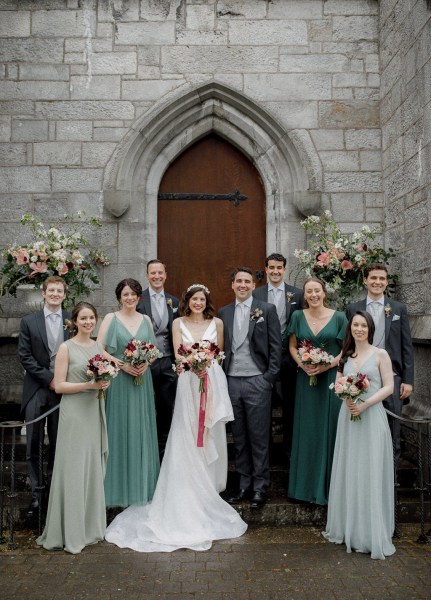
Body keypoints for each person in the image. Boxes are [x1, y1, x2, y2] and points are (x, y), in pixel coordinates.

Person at [105, 284, 247, 552]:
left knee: (210, 429)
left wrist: (207, 366)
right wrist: (194, 364)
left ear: (207, 301)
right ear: (187, 301)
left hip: (211, 380)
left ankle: (209, 485)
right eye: (194, 299)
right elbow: (179, 353)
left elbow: (220, 354)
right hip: (188, 381)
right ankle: (185, 486)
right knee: (186, 430)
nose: (198, 303)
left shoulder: (216, 323)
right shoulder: (177, 323)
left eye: (202, 299)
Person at [37, 302, 109, 554]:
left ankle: (90, 529)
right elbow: (59, 386)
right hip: (75, 412)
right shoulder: (66, 348)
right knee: (74, 468)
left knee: (90, 467)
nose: (88, 322)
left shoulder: (99, 346)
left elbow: (110, 370)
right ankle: (69, 531)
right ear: (74, 321)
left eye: (92, 318)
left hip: (93, 412)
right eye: (83, 318)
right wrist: (88, 386)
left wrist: (104, 382)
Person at [323, 311, 396, 559]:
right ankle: (349, 529)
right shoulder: (345, 355)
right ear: (350, 328)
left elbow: (389, 387)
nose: (359, 329)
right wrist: (346, 396)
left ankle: (370, 532)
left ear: (370, 328)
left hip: (372, 417)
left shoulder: (380, 354)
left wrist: (364, 404)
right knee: (350, 469)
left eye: (364, 325)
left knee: (370, 470)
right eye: (355, 325)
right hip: (349, 418)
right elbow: (338, 383)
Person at [219, 267, 282, 508]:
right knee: (239, 436)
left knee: (259, 437)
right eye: (238, 281)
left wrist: (268, 378)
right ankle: (243, 483)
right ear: (232, 285)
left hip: (258, 380)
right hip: (232, 381)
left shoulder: (266, 309)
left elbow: (276, 346)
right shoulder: (224, 313)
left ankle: (260, 486)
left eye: (247, 281)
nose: (243, 285)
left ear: (253, 286)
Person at [97, 278, 160, 507]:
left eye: (133, 294)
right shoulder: (110, 319)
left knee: (141, 430)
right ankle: (116, 490)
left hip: (142, 381)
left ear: (139, 297)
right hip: (120, 381)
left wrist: (146, 363)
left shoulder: (145, 319)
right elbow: (99, 349)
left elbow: (153, 351)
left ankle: (142, 487)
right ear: (119, 297)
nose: (130, 298)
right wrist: (121, 364)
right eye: (125, 294)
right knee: (119, 430)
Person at [346, 263, 414, 467]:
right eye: (373, 278)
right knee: (362, 429)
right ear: (365, 280)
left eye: (382, 279)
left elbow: (406, 347)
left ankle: (391, 484)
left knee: (392, 430)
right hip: (360, 380)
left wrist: (408, 381)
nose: (377, 282)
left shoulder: (398, 309)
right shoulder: (353, 308)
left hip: (391, 380)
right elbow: (347, 344)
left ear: (386, 282)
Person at [287, 277, 347, 505]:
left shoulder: (340, 317)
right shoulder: (297, 316)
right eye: (309, 292)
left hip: (330, 381)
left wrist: (327, 365)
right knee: (307, 430)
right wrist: (302, 364)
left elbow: (346, 349)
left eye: (317, 291)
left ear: (324, 293)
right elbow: (292, 345)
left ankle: (329, 489)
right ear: (305, 295)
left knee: (328, 430)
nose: (313, 295)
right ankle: (303, 489)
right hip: (306, 379)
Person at [18, 276, 71, 512]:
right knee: (34, 443)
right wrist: (50, 378)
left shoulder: (72, 320)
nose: (55, 294)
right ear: (43, 293)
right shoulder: (29, 322)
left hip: (64, 391)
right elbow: (25, 356)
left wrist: (62, 380)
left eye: (59, 291)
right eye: (51, 290)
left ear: (65, 295)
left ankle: (53, 493)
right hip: (37, 389)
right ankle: (36, 493)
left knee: (60, 443)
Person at [253, 252, 303, 460]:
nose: (275, 271)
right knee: (264, 407)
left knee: (291, 405)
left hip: (290, 358)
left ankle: (290, 451)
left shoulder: (297, 295)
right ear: (266, 270)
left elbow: (302, 324)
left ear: (284, 270)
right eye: (271, 268)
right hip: (265, 360)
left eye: (279, 268)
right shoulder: (256, 295)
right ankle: (267, 452)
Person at [137, 259, 179, 457]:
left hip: (168, 361)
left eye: (160, 273)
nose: (157, 276)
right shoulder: (138, 299)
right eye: (153, 273)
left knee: (166, 406)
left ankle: (163, 450)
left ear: (165, 275)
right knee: (144, 405)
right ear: (147, 275)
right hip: (145, 362)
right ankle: (144, 446)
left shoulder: (174, 301)